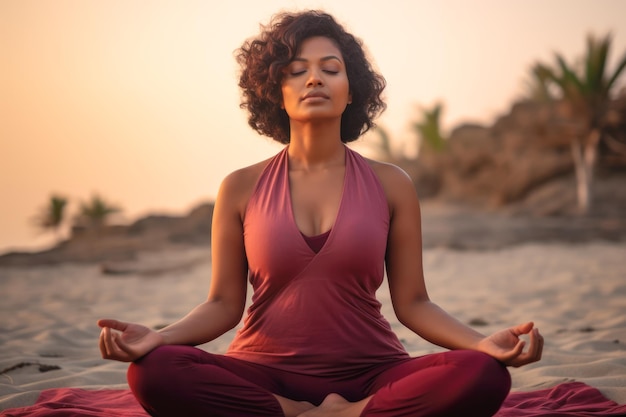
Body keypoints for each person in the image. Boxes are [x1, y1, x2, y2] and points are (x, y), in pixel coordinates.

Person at [98, 10, 544, 417]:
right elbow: (222, 305)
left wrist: (482, 343)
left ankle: (351, 411)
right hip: (262, 372)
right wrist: (159, 337)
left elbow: (414, 303)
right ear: (277, 91)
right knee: (152, 371)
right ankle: (296, 411)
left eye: (330, 69)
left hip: (372, 372)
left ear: (351, 91)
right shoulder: (239, 186)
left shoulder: (392, 184)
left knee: (483, 373)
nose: (315, 79)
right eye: (297, 71)